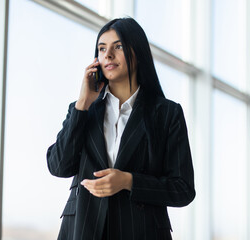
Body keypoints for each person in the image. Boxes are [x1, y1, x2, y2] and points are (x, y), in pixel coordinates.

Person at [47, 17, 195, 240]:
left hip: (142, 232)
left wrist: (128, 181)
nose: (107, 55)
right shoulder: (82, 109)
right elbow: (58, 166)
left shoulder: (167, 114)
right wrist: (82, 104)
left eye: (118, 46)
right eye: (102, 48)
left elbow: (183, 189)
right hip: (82, 231)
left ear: (138, 52)